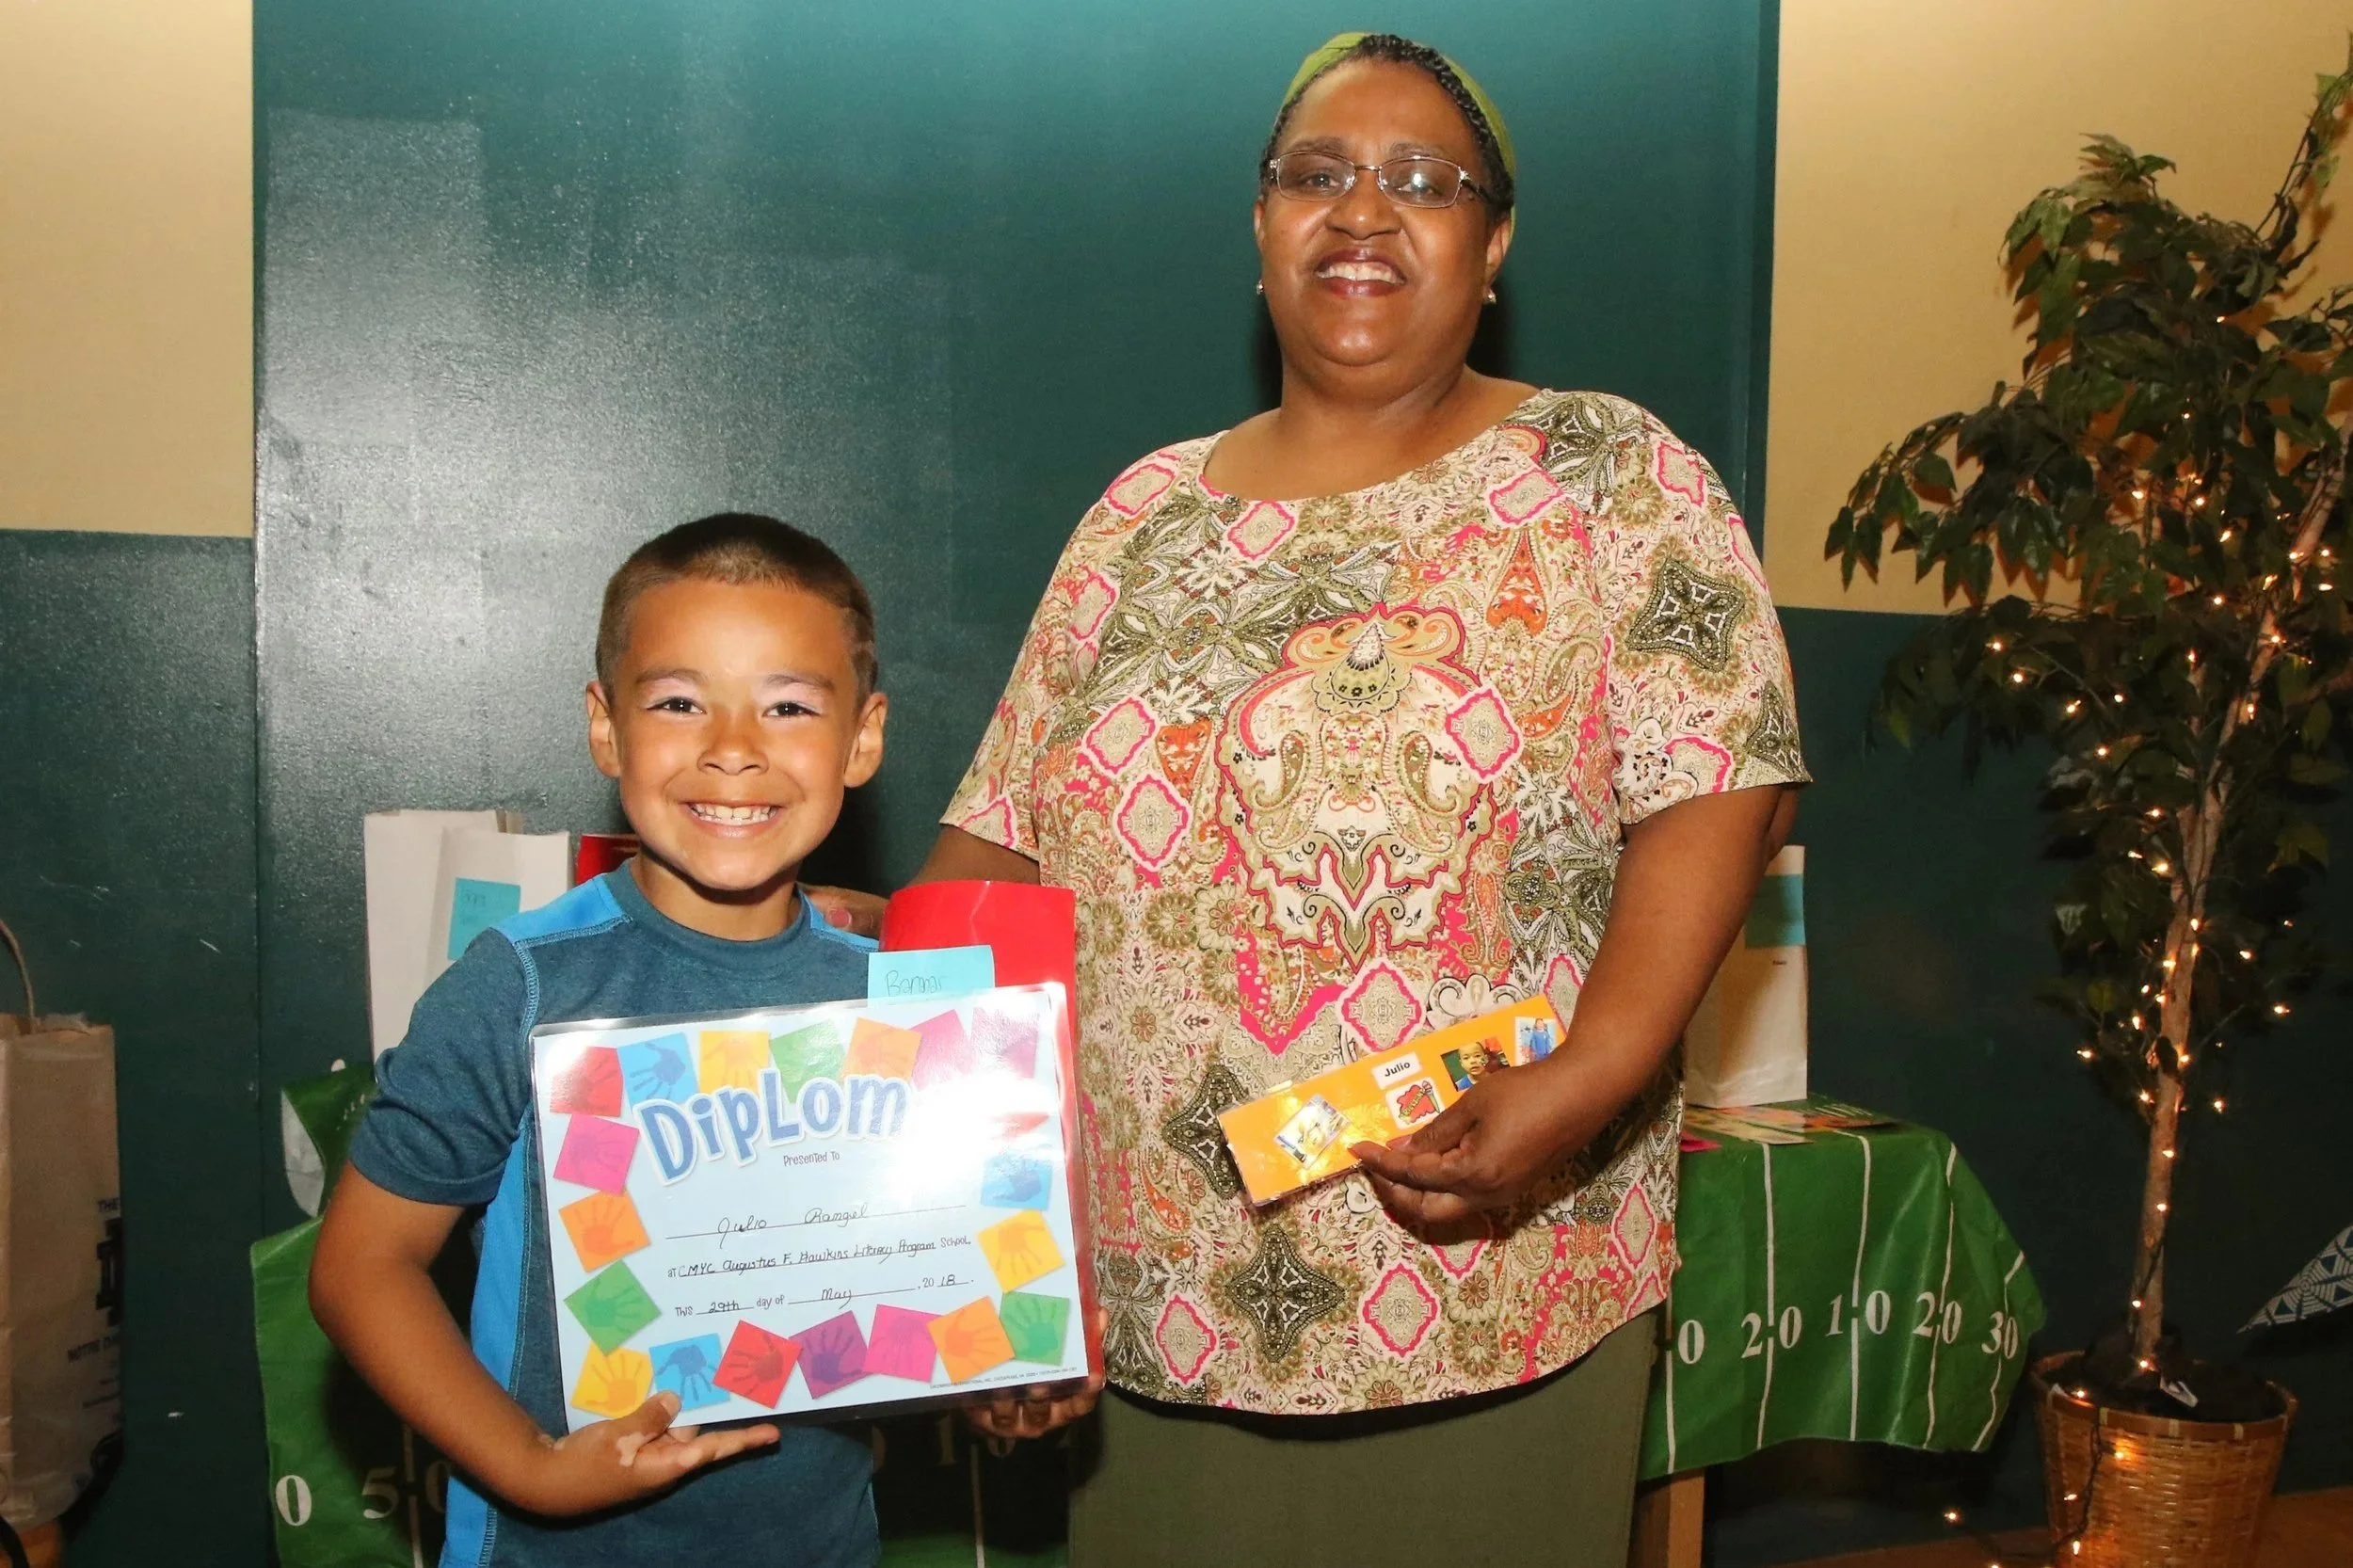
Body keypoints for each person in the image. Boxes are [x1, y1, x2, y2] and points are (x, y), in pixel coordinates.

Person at [834, 31, 1810, 1566]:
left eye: (1424, 180)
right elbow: (997, 846)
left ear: (1494, 245)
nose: (1363, 209)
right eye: (1318, 174)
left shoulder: (1611, 474)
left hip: (1486, 1285)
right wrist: (960, 1213)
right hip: (1144, 1299)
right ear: (1261, 224)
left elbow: (1722, 782)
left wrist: (1587, 1076)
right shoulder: (1140, 517)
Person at [311, 514, 897, 1567]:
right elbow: (362, 1265)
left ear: (861, 739)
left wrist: (1017, 1376)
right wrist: (533, 1465)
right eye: (678, 702)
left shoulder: (896, 1000)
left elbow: (924, 1277)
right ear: (605, 727)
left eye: (789, 706)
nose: (733, 747)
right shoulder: (523, 985)